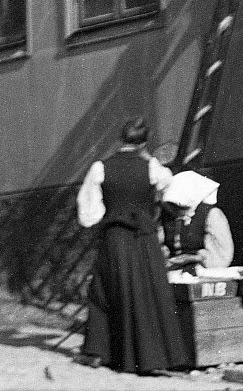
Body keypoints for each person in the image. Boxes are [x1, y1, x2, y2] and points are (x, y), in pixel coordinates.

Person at [75, 117, 189, 373]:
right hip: (144, 239)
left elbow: (88, 214)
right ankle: (152, 358)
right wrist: (148, 158)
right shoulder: (152, 167)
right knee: (148, 293)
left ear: (121, 138)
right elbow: (170, 188)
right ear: (144, 142)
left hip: (115, 237)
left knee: (104, 291)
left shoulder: (100, 168)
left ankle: (99, 352)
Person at [160, 170, 234, 274]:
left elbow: (224, 256)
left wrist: (193, 258)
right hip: (172, 272)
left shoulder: (211, 214)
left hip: (202, 272)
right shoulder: (167, 215)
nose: (174, 209)